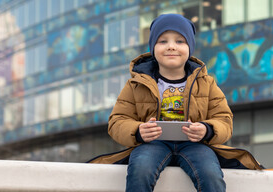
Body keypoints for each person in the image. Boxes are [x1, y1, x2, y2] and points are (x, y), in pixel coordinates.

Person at [88, 14, 263, 191]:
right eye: (163, 41)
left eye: (180, 41)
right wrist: (138, 131)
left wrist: (206, 130)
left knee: (211, 174)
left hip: (195, 144)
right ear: (153, 47)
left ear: (190, 47)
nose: (171, 47)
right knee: (140, 170)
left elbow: (224, 119)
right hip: (153, 144)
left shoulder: (206, 82)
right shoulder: (136, 84)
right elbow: (117, 121)